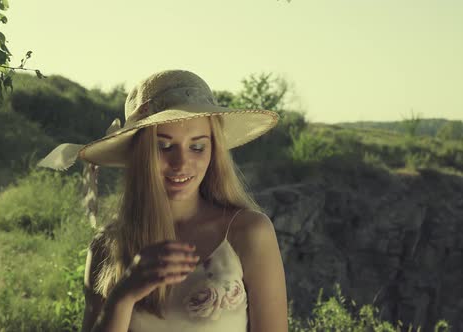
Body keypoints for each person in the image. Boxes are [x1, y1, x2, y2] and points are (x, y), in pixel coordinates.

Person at [38, 69, 288, 332]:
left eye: (197, 146)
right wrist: (123, 297)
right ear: (140, 154)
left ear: (213, 151)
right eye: (164, 146)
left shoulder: (249, 231)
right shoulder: (107, 246)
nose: (181, 163)